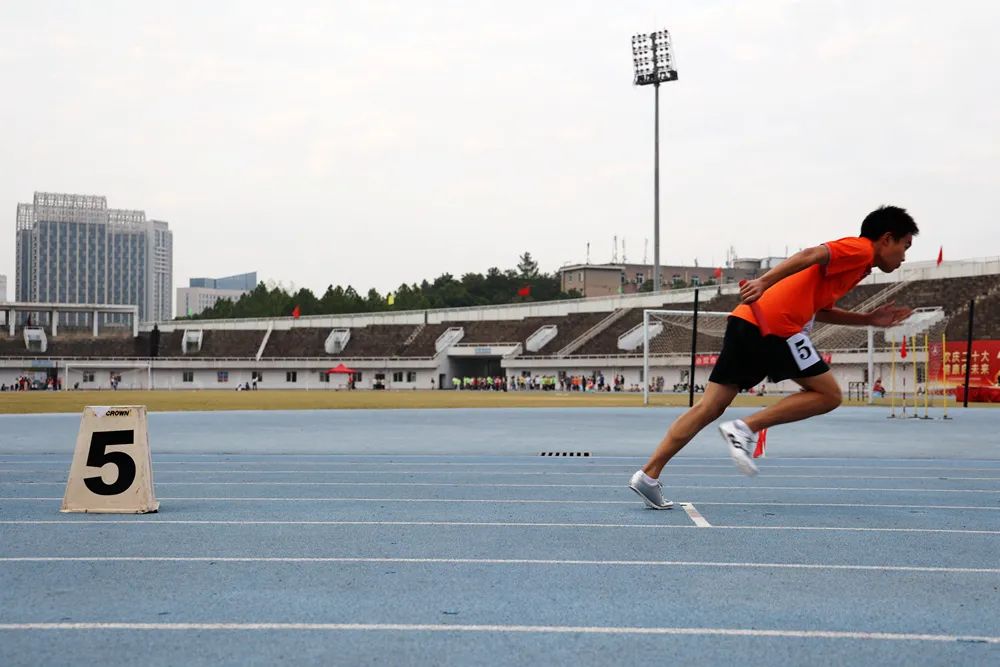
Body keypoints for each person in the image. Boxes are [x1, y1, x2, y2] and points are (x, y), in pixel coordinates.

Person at [629, 205, 918, 509]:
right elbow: (810, 254)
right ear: (886, 239)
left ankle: (647, 476)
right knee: (829, 395)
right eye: (905, 246)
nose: (904, 257)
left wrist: (868, 320)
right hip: (777, 326)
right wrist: (763, 282)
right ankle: (745, 428)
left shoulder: (857, 268)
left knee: (709, 407)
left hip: (747, 321)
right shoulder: (859, 250)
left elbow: (820, 309)